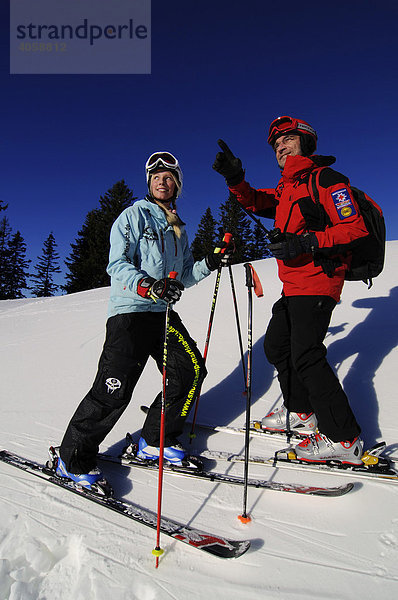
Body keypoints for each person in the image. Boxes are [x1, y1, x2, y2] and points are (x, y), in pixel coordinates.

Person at [55, 151, 232, 493]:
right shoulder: (133, 216)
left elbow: (183, 275)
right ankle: (72, 458)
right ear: (149, 184)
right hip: (130, 313)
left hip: (162, 314)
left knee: (190, 370)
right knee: (114, 389)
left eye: (168, 178)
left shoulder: (179, 228)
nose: (162, 182)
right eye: (156, 178)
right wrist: (148, 285)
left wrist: (209, 261)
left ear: (177, 185)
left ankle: (156, 440)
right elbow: (117, 264)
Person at [213, 116, 369, 465]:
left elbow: (354, 229)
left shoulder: (326, 180)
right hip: (294, 285)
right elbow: (254, 201)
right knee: (277, 345)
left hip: (318, 281)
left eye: (287, 139)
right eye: (276, 144)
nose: (280, 146)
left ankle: (344, 438)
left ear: (306, 142)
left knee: (307, 356)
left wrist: (305, 243)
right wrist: (235, 179)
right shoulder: (287, 188)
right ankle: (301, 412)